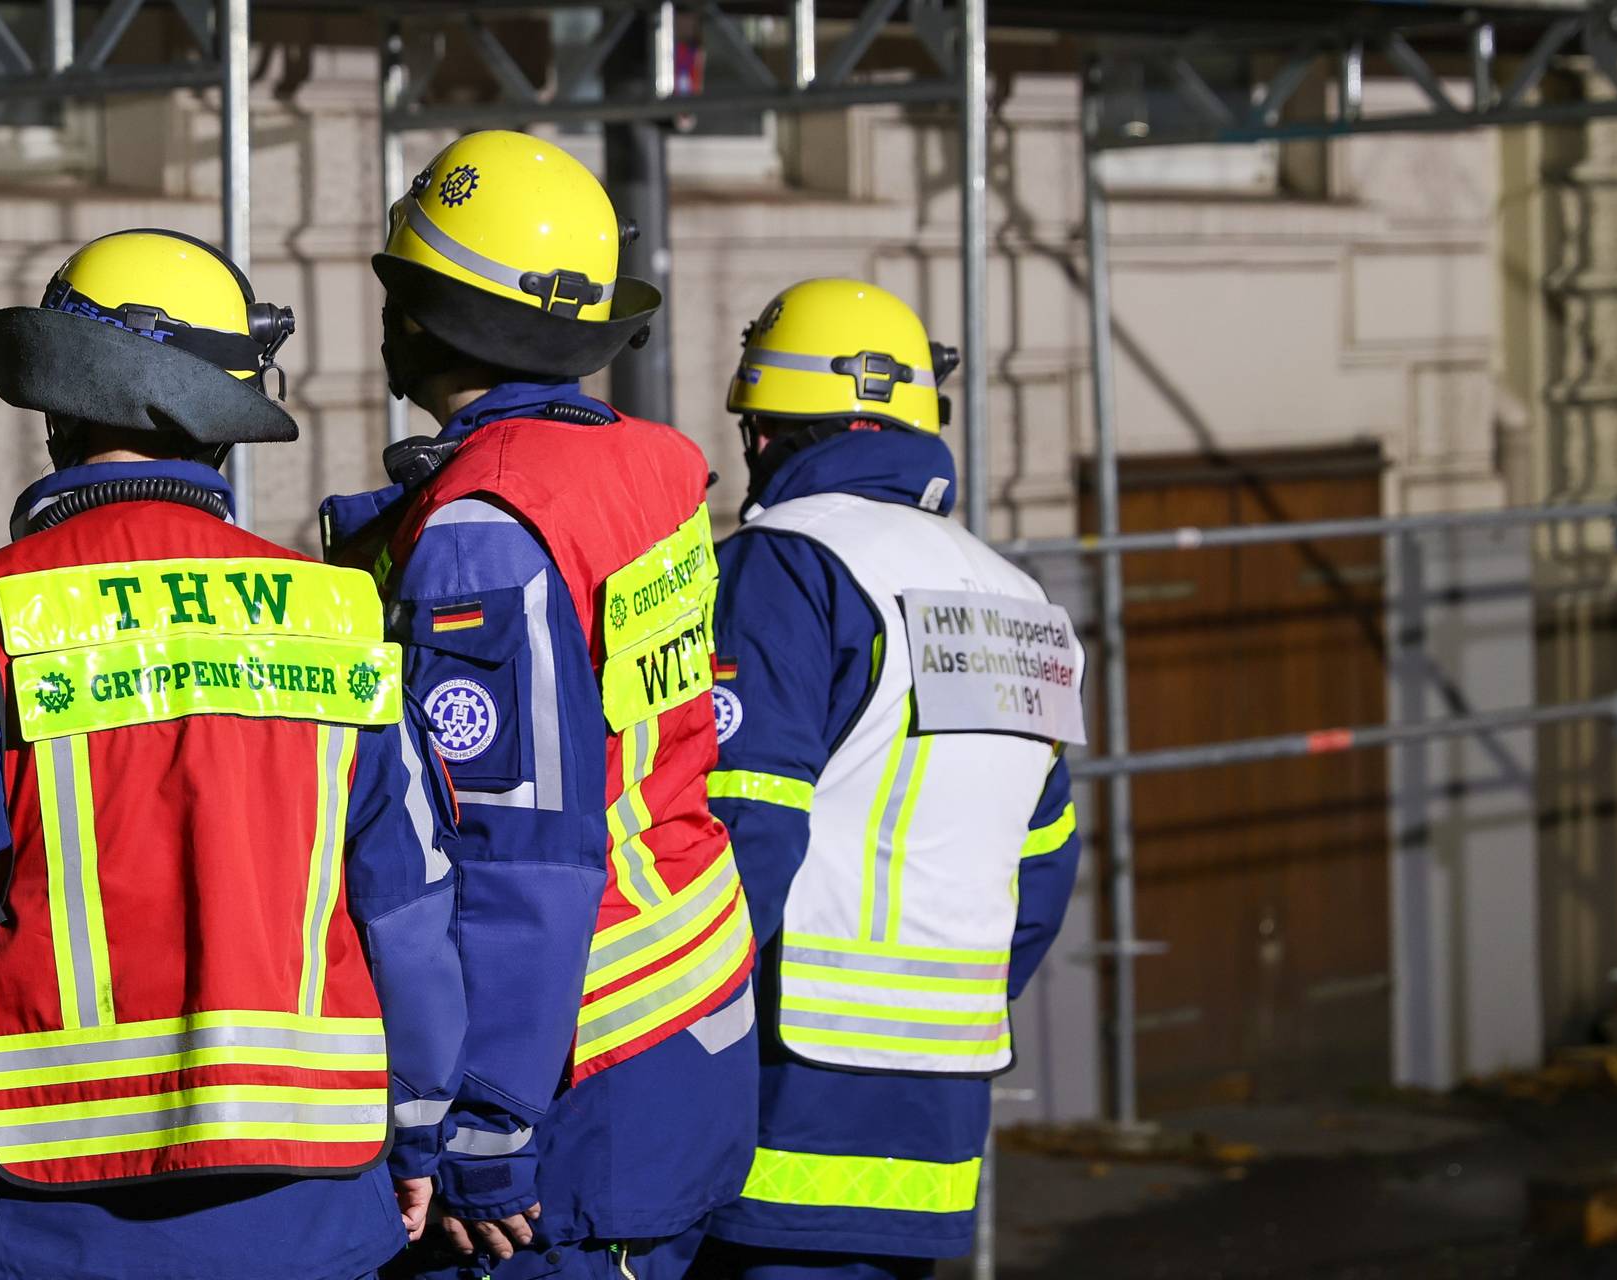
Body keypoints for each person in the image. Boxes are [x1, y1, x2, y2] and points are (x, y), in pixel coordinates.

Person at [0, 228, 465, 1280]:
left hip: (41, 1202)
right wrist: (424, 1123)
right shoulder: (341, 613)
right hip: (302, 1201)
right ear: (221, 424)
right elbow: (411, 904)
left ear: (60, 407)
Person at [322, 130, 759, 1280]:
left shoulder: (484, 527)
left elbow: (517, 848)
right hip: (689, 1012)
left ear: (425, 315)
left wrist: (485, 1117)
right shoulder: (647, 463)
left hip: (570, 1073)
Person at [688, 279, 1086, 1280]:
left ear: (769, 432)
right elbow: (1043, 865)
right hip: (936, 1126)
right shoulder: (1016, 595)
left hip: (780, 1099)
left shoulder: (785, 565)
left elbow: (745, 829)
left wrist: (667, 1043)